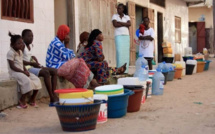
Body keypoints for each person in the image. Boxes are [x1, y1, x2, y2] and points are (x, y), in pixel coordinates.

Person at [46, 25, 100, 89]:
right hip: (55, 68)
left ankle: (88, 84)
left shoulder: (60, 42)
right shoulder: (56, 43)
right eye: (67, 34)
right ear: (63, 33)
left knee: (78, 67)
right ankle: (90, 82)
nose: (68, 36)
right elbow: (69, 57)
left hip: (60, 66)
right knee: (80, 61)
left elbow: (72, 55)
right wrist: (67, 44)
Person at [22, 29, 58, 105]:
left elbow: (27, 56)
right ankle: (51, 96)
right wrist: (31, 63)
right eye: (28, 36)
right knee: (46, 73)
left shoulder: (29, 46)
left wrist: (33, 58)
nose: (31, 38)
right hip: (28, 68)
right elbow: (20, 60)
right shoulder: (22, 46)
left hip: (32, 66)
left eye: (32, 36)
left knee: (55, 71)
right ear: (23, 37)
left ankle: (54, 94)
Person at [7, 32, 42, 109]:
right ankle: (22, 100)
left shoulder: (20, 52)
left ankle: (32, 99)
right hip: (14, 73)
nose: (21, 45)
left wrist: (26, 71)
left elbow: (21, 63)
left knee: (36, 79)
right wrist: (23, 72)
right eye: (18, 43)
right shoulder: (10, 53)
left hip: (22, 71)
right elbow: (12, 66)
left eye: (21, 43)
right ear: (12, 44)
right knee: (27, 81)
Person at [112, 3, 131, 73]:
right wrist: (125, 24)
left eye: (120, 8)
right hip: (118, 36)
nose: (118, 10)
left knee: (126, 53)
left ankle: (126, 70)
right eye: (117, 8)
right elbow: (115, 24)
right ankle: (119, 69)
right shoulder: (114, 16)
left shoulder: (127, 17)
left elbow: (129, 24)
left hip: (126, 36)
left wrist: (120, 22)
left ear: (123, 9)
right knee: (119, 52)